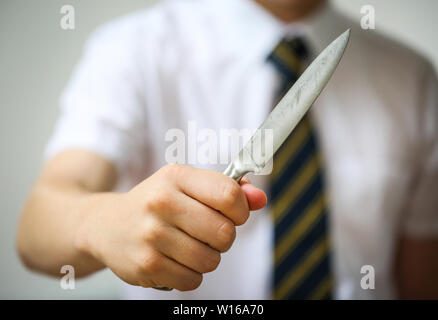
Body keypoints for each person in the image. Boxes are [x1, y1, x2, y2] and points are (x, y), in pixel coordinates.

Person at [16, 0, 438, 299]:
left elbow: (419, 284)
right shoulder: (132, 50)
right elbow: (37, 228)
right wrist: (103, 222)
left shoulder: (413, 79)